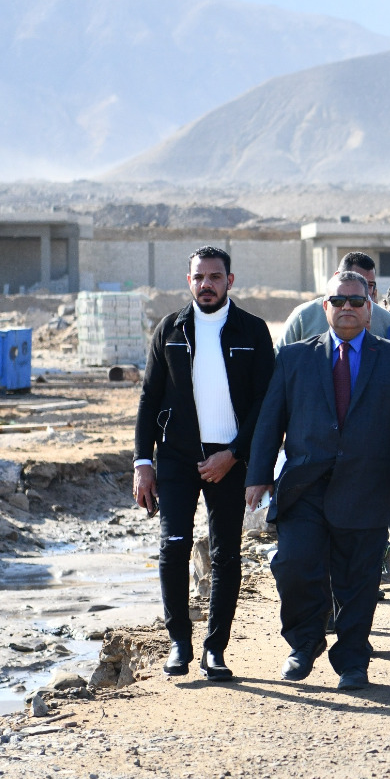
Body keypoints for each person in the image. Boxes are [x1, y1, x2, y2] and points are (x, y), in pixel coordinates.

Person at [245, 271, 390, 691]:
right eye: (338, 300)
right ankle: (304, 642)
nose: (347, 307)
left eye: (356, 301)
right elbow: (271, 420)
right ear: (325, 306)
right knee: (294, 566)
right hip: (304, 487)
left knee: (359, 581)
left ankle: (352, 659)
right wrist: (258, 475)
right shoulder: (294, 357)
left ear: (370, 309)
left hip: (368, 486)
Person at [134, 246, 274, 682]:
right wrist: (142, 462)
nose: (206, 284)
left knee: (225, 553)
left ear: (230, 281)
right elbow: (149, 397)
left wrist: (235, 455)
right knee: (173, 546)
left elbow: (265, 404)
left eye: (215, 277)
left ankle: (215, 649)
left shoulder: (252, 330)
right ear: (189, 280)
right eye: (199, 277)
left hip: (230, 459)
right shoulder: (170, 329)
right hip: (177, 457)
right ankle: (179, 642)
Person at [280, 252, 390, 344]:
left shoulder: (384, 319)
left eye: (369, 285)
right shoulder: (304, 316)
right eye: (354, 280)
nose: (347, 307)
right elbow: (281, 359)